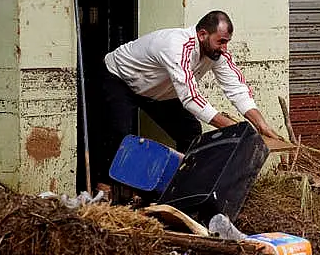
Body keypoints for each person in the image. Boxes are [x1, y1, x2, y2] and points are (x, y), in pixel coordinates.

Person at [95, 10, 280, 194]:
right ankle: (103, 190)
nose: (224, 48)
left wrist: (261, 125)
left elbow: (237, 89)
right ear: (202, 35)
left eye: (227, 42)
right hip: (120, 78)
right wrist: (237, 130)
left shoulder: (218, 54)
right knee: (119, 133)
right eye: (221, 41)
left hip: (158, 88)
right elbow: (190, 97)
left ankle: (182, 189)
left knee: (190, 132)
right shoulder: (176, 45)